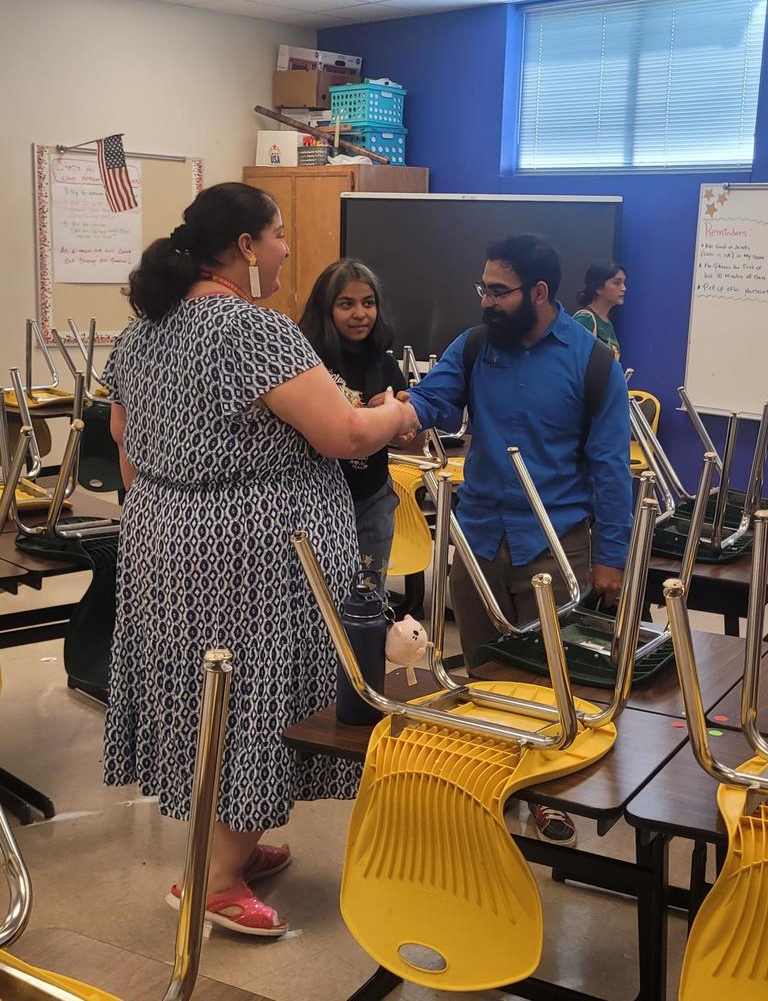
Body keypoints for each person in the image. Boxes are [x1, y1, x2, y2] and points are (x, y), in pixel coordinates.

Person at [103, 182, 417, 937]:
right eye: (277, 236)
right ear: (245, 246)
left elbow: (123, 438)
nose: (283, 251)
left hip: (163, 541)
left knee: (199, 691)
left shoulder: (145, 329)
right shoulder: (251, 329)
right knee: (259, 696)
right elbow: (342, 435)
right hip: (255, 560)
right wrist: (398, 413)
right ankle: (211, 880)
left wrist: (177, 508)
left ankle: (228, 844)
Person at [379, 234, 632, 847]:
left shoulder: (592, 363)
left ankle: (543, 798)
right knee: (485, 677)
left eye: (499, 291)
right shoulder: (474, 347)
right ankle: (486, 796)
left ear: (539, 293)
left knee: (549, 682)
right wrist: (394, 413)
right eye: (483, 288)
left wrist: (612, 561)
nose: (486, 300)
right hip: (476, 540)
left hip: (554, 547)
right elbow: (435, 400)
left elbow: (609, 468)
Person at [300, 259, 407, 581]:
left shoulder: (384, 365)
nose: (361, 314)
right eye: (346, 304)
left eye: (369, 303)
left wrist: (399, 415)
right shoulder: (306, 362)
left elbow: (411, 438)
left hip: (373, 497)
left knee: (368, 602)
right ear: (325, 309)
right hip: (315, 500)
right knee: (321, 600)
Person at [571, 262, 626, 360]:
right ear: (598, 287)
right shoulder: (585, 319)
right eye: (617, 283)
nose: (624, 288)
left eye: (624, 283)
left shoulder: (608, 324)